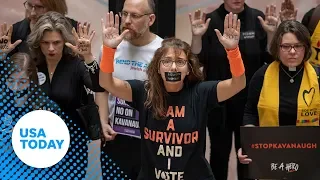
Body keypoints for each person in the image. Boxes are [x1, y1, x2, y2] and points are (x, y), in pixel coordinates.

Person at [96, 10, 246, 180]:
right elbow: (106, 82)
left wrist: (233, 51)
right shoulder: (144, 91)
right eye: (166, 62)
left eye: (180, 62)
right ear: (158, 68)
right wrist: (109, 49)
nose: (173, 67)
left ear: (189, 68)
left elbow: (238, 83)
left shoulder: (201, 92)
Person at [190, 0, 297, 179]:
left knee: (248, 156)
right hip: (219, 103)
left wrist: (272, 34)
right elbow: (197, 60)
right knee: (218, 156)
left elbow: (271, 61)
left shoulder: (258, 19)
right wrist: (196, 37)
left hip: (250, 103)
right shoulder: (210, 21)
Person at [20, 11, 103, 178]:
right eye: (46, 43)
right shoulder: (32, 65)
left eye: (56, 42)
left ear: (65, 41)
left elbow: (98, 85)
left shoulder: (76, 65)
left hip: (73, 146)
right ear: (38, 43)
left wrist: (88, 57)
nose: (51, 48)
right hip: (39, 143)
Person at [95, 0, 163, 179]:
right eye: (124, 14)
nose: (126, 20)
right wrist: (103, 121)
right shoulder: (109, 48)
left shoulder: (163, 51)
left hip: (150, 140)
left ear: (151, 19)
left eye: (135, 15)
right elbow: (101, 89)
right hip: (116, 138)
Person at [238, 20, 316, 167]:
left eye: (298, 46)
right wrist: (249, 142)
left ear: (305, 48)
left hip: (309, 156)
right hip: (270, 155)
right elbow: (250, 112)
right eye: (286, 46)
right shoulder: (262, 75)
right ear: (277, 48)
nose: (292, 51)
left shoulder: (317, 77)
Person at [7, 0, 78, 57]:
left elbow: (84, 70)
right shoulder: (15, 31)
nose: (32, 13)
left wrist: (85, 56)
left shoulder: (74, 30)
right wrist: (2, 55)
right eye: (29, 5)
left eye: (39, 7)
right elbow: (6, 71)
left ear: (54, 7)